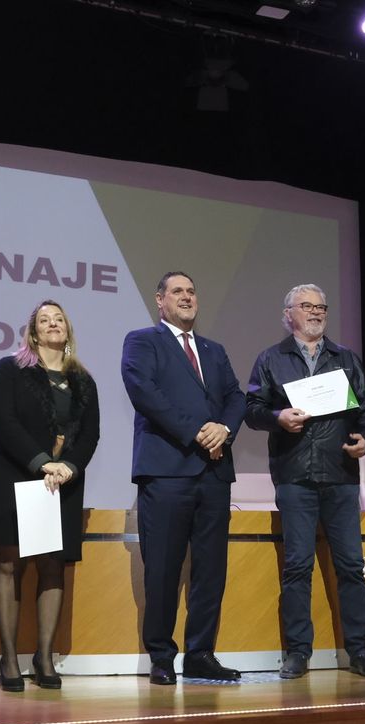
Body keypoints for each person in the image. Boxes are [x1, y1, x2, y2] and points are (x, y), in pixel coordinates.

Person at [244, 285, 365, 679]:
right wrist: (278, 418)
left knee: (351, 567)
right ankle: (298, 652)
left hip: (340, 475)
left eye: (321, 306)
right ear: (288, 314)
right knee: (297, 567)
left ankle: (360, 651)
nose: (316, 312)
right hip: (294, 477)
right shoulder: (271, 358)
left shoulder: (345, 358)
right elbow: (252, 409)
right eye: (306, 306)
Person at [121, 272, 247, 685]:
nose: (187, 297)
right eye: (178, 291)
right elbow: (145, 393)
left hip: (214, 472)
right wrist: (198, 431)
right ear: (160, 300)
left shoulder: (214, 350)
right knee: (162, 567)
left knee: (210, 570)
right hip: (167, 470)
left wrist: (224, 429)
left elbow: (236, 397)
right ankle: (161, 655)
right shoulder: (142, 341)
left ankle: (201, 654)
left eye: (192, 291)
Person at [0, 301, 101, 692]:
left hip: (62, 484)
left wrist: (68, 467)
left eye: (59, 319)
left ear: (68, 329)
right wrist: (42, 462)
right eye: (44, 320)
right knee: (9, 564)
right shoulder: (11, 369)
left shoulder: (83, 380)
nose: (52, 324)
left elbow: (91, 435)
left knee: (53, 566)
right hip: (16, 476)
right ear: (32, 332)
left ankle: (44, 657)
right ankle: (9, 658)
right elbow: (3, 420)